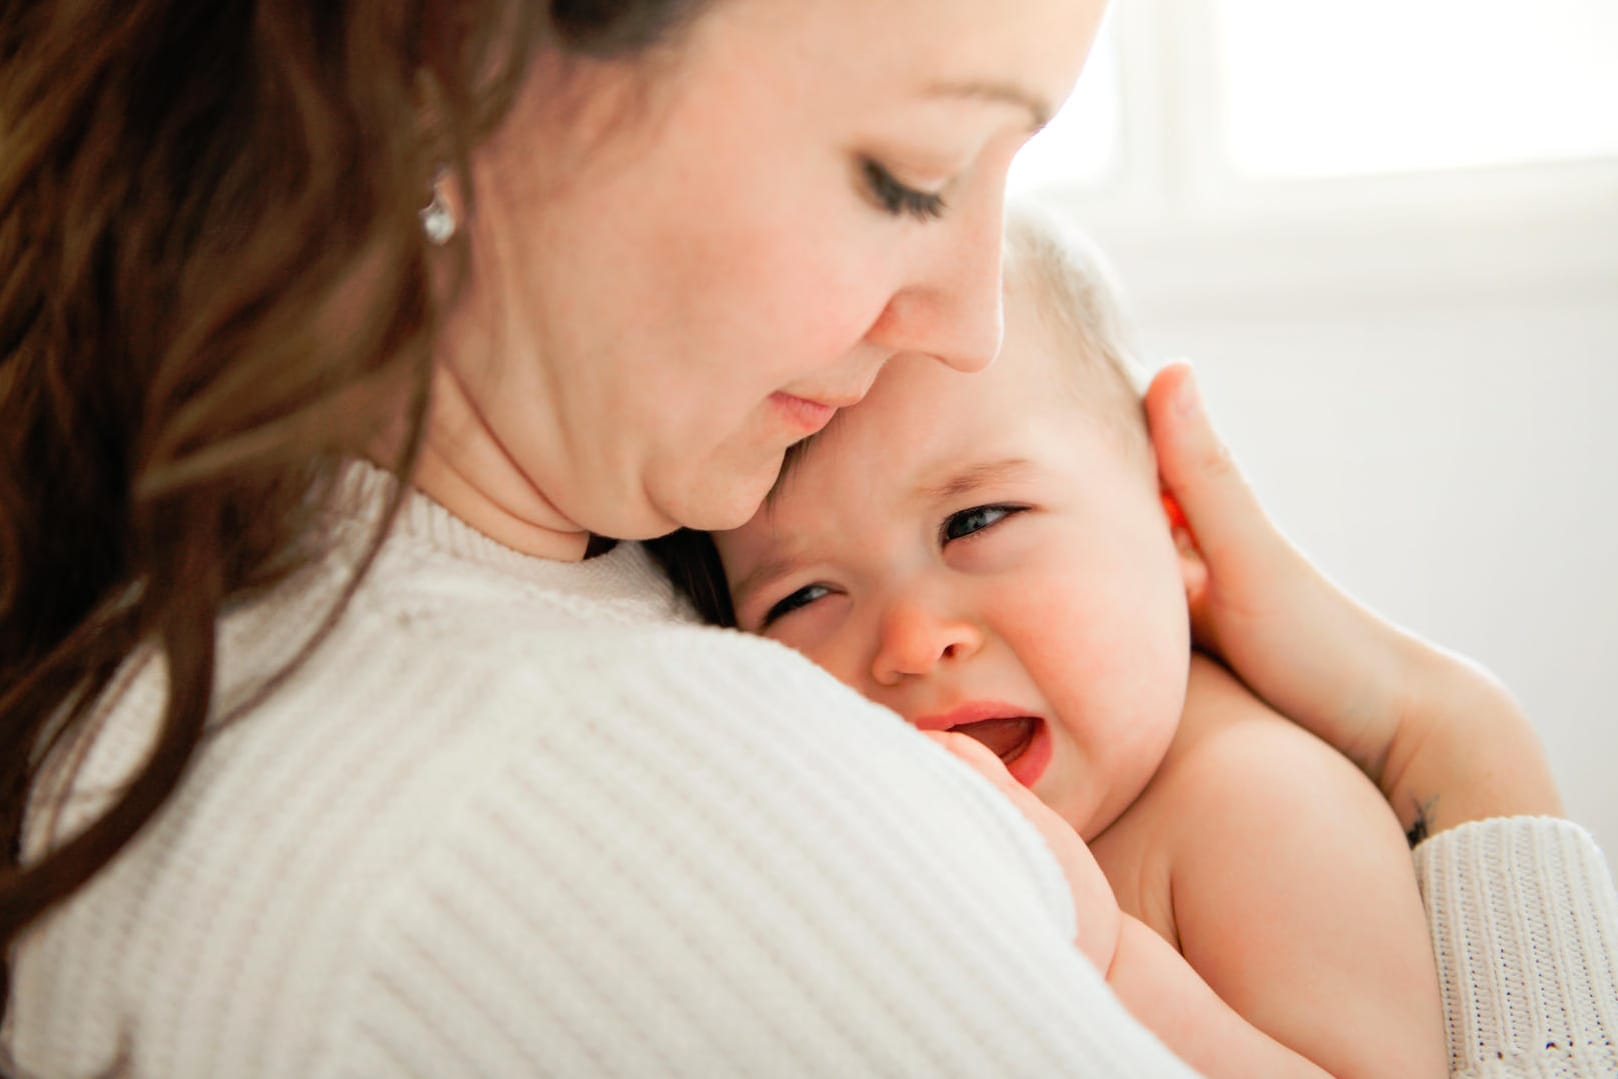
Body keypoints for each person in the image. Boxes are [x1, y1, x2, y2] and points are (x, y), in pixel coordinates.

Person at [0, 2, 1613, 1077]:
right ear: (466, 62)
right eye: (905, 173)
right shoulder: (612, 772)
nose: (964, 314)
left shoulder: (267, 572)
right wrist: (1460, 750)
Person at [683, 212, 1448, 1077]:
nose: (910, 638)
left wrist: (1107, 961)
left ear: (1173, 517)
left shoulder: (1259, 797)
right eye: (804, 594)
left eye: (975, 521)